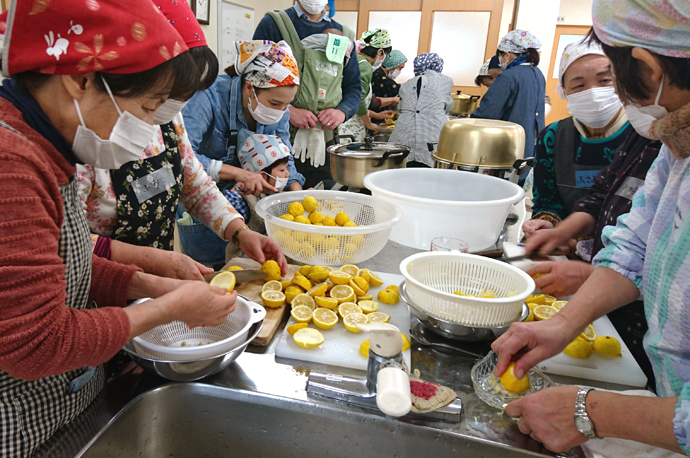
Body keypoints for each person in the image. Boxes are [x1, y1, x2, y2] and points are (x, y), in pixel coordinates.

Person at [0, 1, 241, 455]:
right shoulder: (12, 166)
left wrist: (147, 282)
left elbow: (67, 264)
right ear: (81, 79)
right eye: (147, 108)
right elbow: (36, 343)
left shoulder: (51, 149)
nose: (150, 128)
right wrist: (164, 310)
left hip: (71, 399)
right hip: (24, 430)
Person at [492, 0, 690, 454]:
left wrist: (591, 411)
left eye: (613, 77)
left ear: (646, 64)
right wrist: (562, 325)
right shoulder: (676, 143)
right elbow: (634, 245)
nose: (613, 93)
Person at [76, 1, 285, 280]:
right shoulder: (86, 138)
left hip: (159, 283)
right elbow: (64, 245)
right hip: (97, 288)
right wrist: (153, 264)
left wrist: (240, 232)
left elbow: (194, 185)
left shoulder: (169, 118)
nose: (165, 108)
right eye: (159, 97)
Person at [180, 40, 305, 266]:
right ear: (250, 87)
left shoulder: (280, 110)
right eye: (275, 103)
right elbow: (181, 158)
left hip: (251, 211)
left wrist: (298, 194)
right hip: (204, 205)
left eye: (287, 105)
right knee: (212, 275)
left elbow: (285, 157)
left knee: (249, 271)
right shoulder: (210, 97)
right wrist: (236, 173)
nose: (281, 113)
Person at [523, 40, 633, 231]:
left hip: (626, 255)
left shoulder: (643, 137)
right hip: (564, 248)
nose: (593, 93)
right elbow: (547, 202)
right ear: (564, 91)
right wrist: (546, 223)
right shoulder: (552, 137)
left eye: (605, 81)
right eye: (579, 85)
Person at [253, 0, 362, 188]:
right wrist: (287, 111)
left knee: (320, 202)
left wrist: (341, 111)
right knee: (278, 199)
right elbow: (252, 79)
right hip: (276, 138)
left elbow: (354, 88)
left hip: (324, 141)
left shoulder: (344, 35)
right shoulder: (274, 24)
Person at [471, 30, 546, 162]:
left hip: (508, 145)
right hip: (529, 143)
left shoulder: (509, 77)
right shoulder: (537, 74)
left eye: (500, 57)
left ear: (507, 54)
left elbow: (487, 113)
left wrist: (469, 122)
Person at [389, 53, 454, 168]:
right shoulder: (445, 82)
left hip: (403, 136)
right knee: (430, 176)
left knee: (403, 174)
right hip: (432, 136)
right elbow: (448, 107)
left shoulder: (406, 85)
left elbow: (401, 107)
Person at [337, 29, 392, 142]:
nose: (384, 58)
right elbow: (358, 100)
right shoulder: (365, 66)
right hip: (351, 129)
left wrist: (376, 115)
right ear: (379, 51)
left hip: (342, 121)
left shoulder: (355, 60)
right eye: (385, 54)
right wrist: (369, 124)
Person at [370, 49, 407, 117]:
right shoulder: (382, 79)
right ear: (392, 65)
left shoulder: (377, 73)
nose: (399, 71)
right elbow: (401, 91)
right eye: (400, 68)